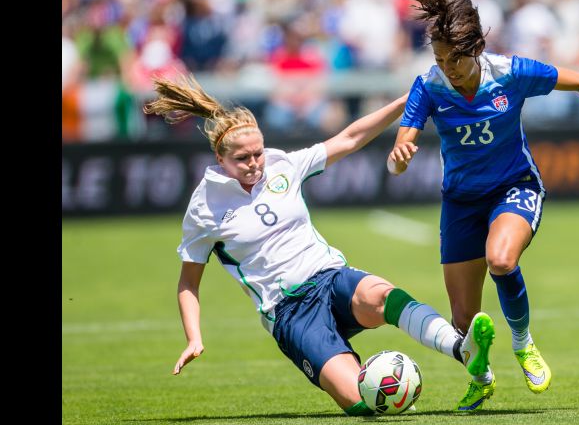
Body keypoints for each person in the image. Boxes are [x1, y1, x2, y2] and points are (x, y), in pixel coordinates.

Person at [142, 73, 497, 415]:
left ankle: (462, 349)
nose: (254, 164)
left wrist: (408, 101)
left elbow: (349, 138)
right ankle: (376, 391)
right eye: (242, 158)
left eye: (258, 153)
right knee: (360, 402)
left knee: (385, 296)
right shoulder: (204, 206)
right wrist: (193, 337)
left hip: (328, 276)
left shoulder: (281, 165)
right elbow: (188, 282)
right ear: (219, 159)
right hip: (289, 312)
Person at [386, 0, 579, 409]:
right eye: (439, 59)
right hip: (461, 202)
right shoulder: (429, 85)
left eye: (455, 59)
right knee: (463, 323)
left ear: (476, 47)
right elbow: (402, 144)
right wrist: (401, 156)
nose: (448, 68)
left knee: (501, 259)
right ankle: (481, 377)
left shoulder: (511, 73)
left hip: (514, 187)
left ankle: (523, 343)